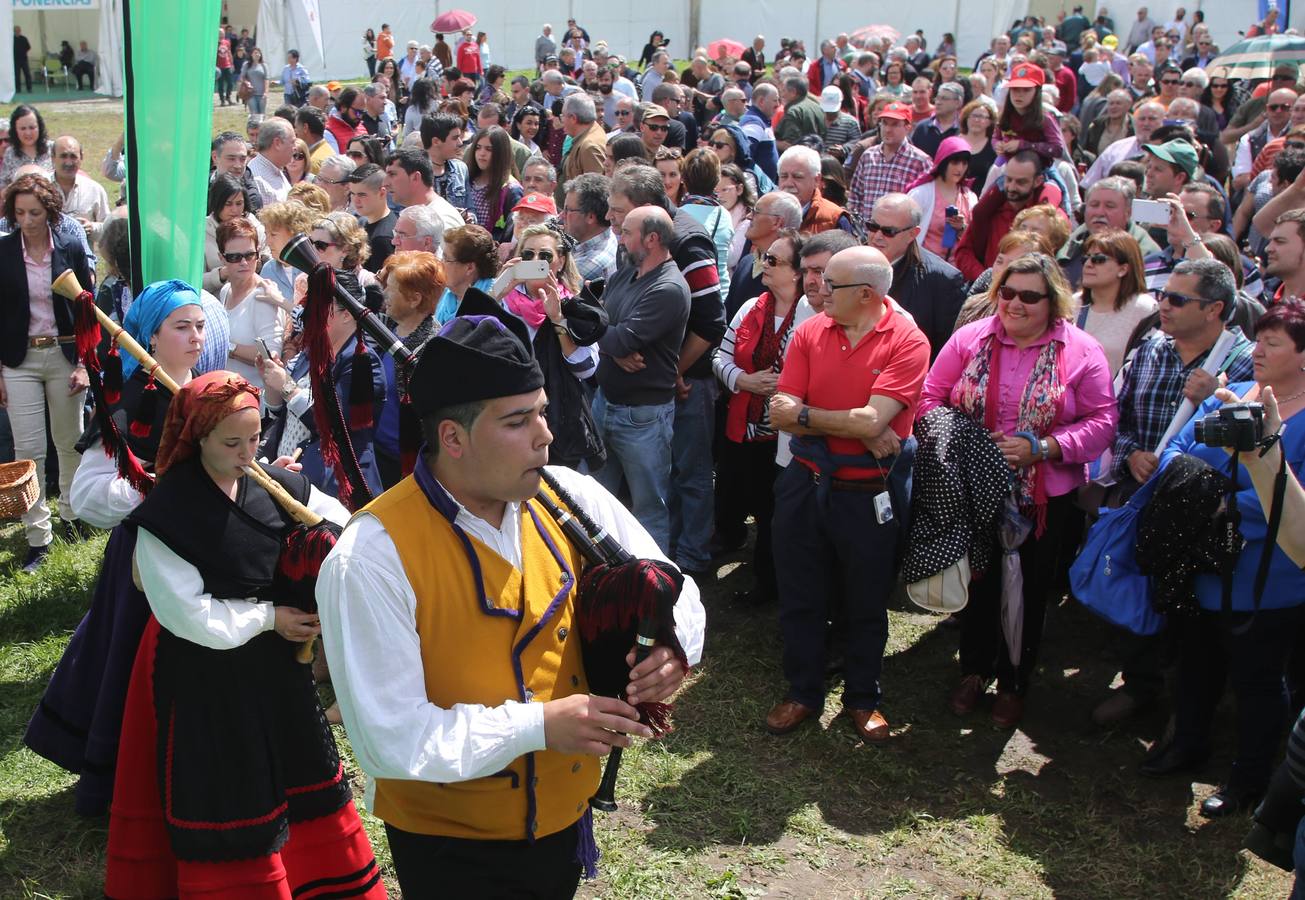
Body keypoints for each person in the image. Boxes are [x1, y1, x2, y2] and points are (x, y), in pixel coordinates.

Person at [316, 309, 703, 895]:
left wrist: (672, 653)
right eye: (519, 420)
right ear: (453, 437)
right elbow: (389, 740)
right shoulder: (370, 557)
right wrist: (539, 726)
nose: (545, 435)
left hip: (562, 817)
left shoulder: (568, 495)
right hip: (451, 843)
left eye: (543, 412)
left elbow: (679, 587)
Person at [102, 371, 383, 897]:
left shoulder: (274, 485)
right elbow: (187, 614)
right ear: (197, 437)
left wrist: (320, 546)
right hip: (209, 680)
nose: (247, 452)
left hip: (278, 673)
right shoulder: (167, 518)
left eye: (255, 438)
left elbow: (343, 526)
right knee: (235, 796)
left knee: (301, 780)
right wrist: (269, 618)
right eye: (232, 442)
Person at [26, 281, 210, 816]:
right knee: (138, 670)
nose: (196, 337)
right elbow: (86, 497)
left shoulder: (210, 389)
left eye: (200, 326)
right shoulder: (132, 403)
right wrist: (154, 480)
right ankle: (130, 785)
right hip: (144, 564)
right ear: (151, 336)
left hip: (211, 561)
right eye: (182, 327)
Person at [922, 253, 1117, 727]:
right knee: (980, 580)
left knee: (1028, 589)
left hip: (1043, 497)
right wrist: (960, 442)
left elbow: (1103, 421)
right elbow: (931, 395)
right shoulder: (972, 338)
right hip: (972, 488)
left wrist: (1046, 446)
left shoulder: (1082, 350)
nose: (1014, 304)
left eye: (1029, 296)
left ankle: (1013, 682)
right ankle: (973, 670)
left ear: (1053, 302)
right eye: (1006, 293)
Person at [1142, 300, 1305, 818]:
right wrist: (1199, 492)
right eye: (1258, 339)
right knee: (1195, 663)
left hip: (1267, 578)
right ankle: (1187, 744)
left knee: (1257, 679)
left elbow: (1291, 501)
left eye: (1272, 343)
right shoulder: (1236, 396)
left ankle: (1248, 780)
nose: (1256, 350)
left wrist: (1220, 503)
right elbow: (1176, 452)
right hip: (1204, 566)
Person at [765, 245, 930, 741]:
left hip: (866, 494)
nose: (816, 289)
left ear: (866, 294)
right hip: (807, 483)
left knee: (865, 598)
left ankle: (862, 697)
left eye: (828, 282)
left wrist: (813, 418)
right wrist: (854, 424)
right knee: (800, 592)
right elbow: (781, 408)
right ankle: (803, 692)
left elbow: (871, 420)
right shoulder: (811, 330)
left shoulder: (907, 340)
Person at [1091, 258, 1255, 726]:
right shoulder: (1151, 349)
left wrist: (1216, 402)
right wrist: (1131, 454)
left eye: (1178, 299)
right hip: (1141, 497)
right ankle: (1141, 684)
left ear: (1215, 309)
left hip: (1206, 512)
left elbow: (1254, 446)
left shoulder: (1242, 364)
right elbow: (1112, 417)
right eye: (1163, 295)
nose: (1163, 305)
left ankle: (1191, 708)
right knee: (1133, 587)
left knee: (1193, 611)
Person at [0, 174, 95, 572]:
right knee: (28, 451)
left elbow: (87, 310)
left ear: (50, 212)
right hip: (17, 360)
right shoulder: (4, 251)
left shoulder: (70, 247)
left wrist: (85, 366)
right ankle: (38, 536)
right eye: (19, 213)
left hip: (63, 353)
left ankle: (72, 515)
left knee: (69, 440)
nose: (27, 220)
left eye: (35, 213)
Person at [713, 228, 806, 604]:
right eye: (763, 257)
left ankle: (769, 582)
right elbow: (719, 356)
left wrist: (783, 385)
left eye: (773, 259)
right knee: (740, 492)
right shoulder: (751, 307)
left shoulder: (810, 314)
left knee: (773, 512)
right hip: (741, 424)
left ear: (797, 272)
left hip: (780, 436)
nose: (762, 264)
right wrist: (744, 380)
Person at [592, 205, 690, 551]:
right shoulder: (625, 273)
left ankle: (656, 591)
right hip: (604, 403)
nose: (619, 237)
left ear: (651, 239)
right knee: (596, 504)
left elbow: (610, 333)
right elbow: (594, 317)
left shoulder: (668, 289)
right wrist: (613, 346)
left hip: (642, 418)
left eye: (626, 232)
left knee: (648, 510)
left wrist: (609, 339)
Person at [491, 223, 606, 471]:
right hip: (509, 416)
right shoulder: (502, 302)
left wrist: (557, 320)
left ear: (560, 261)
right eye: (528, 254)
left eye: (544, 256)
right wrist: (497, 291)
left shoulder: (575, 304)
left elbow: (586, 369)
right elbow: (465, 333)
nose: (535, 261)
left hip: (558, 422)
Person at [258, 287, 387, 498]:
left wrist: (287, 387)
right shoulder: (313, 350)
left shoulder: (363, 362)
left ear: (346, 315)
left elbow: (336, 428)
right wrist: (273, 382)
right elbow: (279, 412)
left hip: (335, 488)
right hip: (290, 474)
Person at [867, 193, 968, 359]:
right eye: (872, 226)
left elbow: (945, 350)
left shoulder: (942, 280)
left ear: (912, 234)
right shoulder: (850, 262)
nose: (877, 236)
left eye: (888, 231)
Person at [954, 149, 1068, 281]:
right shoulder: (989, 209)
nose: (1012, 187)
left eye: (1021, 182)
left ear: (1038, 181)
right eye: (1008, 179)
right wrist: (989, 282)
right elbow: (963, 253)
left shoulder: (1047, 216)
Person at [216, 217, 287, 390]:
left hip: (255, 403)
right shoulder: (226, 291)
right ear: (222, 258)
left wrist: (227, 346)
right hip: (227, 397)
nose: (244, 262)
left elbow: (271, 356)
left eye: (249, 255)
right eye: (234, 257)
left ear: (258, 253)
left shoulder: (263, 295)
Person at [1075, 229, 1159, 375]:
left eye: (1098, 259)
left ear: (1123, 269)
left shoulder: (1145, 309)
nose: (1088, 264)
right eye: (1086, 258)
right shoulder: (1071, 303)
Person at [848, 101, 932, 225]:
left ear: (907, 128)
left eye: (895, 125)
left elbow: (926, 203)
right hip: (866, 234)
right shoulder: (868, 156)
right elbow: (855, 195)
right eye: (884, 123)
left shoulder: (920, 161)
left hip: (898, 237)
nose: (887, 129)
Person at [906, 136, 978, 263]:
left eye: (964, 163)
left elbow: (976, 236)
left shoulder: (970, 197)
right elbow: (904, 231)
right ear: (944, 162)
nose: (960, 168)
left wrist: (962, 228)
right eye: (955, 162)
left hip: (957, 272)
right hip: (923, 267)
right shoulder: (920, 194)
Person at [383, 147, 464, 233]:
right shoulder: (413, 215)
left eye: (392, 174)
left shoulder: (441, 220)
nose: (385, 183)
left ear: (415, 177)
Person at [436, 224, 500, 323]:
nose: (440, 263)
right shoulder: (443, 294)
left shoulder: (495, 302)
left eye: (446, 259)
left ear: (469, 268)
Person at [51, 136, 110, 242]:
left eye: (73, 156)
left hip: (82, 257)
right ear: (53, 158)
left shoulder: (94, 190)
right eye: (63, 156)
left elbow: (109, 228)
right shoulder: (40, 187)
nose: (69, 162)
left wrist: (92, 228)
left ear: (81, 157)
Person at [562, 172, 618, 283]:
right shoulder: (605, 235)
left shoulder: (592, 262)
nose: (562, 215)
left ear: (590, 217)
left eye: (568, 210)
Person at [346, 162, 397, 273]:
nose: (355, 200)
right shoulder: (364, 222)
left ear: (382, 193)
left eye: (362, 195)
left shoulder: (382, 239)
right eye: (352, 194)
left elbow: (379, 286)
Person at [421, 113, 470, 210]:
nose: (460, 143)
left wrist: (470, 217)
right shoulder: (413, 174)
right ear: (436, 141)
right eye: (455, 138)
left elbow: (470, 207)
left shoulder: (461, 169)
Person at [0, 104, 52, 191]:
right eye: (23, 128)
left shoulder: (53, 148)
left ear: (39, 127)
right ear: (15, 130)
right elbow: (2, 185)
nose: (28, 133)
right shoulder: (10, 154)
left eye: (32, 128)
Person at [717, 163, 756, 269]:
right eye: (715, 191)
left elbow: (730, 259)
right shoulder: (713, 212)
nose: (719, 196)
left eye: (725, 190)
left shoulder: (747, 219)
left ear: (739, 189)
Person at [912, 82, 965, 159]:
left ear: (958, 103)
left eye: (944, 98)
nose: (938, 102)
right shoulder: (922, 127)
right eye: (938, 98)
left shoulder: (964, 129)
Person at [775, 76, 827, 153]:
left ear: (793, 92)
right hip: (818, 155)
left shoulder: (794, 112)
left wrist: (774, 143)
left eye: (783, 91)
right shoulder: (817, 107)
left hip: (800, 158)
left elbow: (790, 145)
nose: (782, 95)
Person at [13, 26, 31, 93]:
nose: (17, 31)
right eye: (16, 30)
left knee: (27, 74)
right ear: (14, 31)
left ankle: (29, 88)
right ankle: (18, 89)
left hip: (24, 59)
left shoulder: (24, 38)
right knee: (17, 75)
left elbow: (28, 47)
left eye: (18, 30)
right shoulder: (12, 39)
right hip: (16, 60)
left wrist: (23, 52)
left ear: (20, 31)